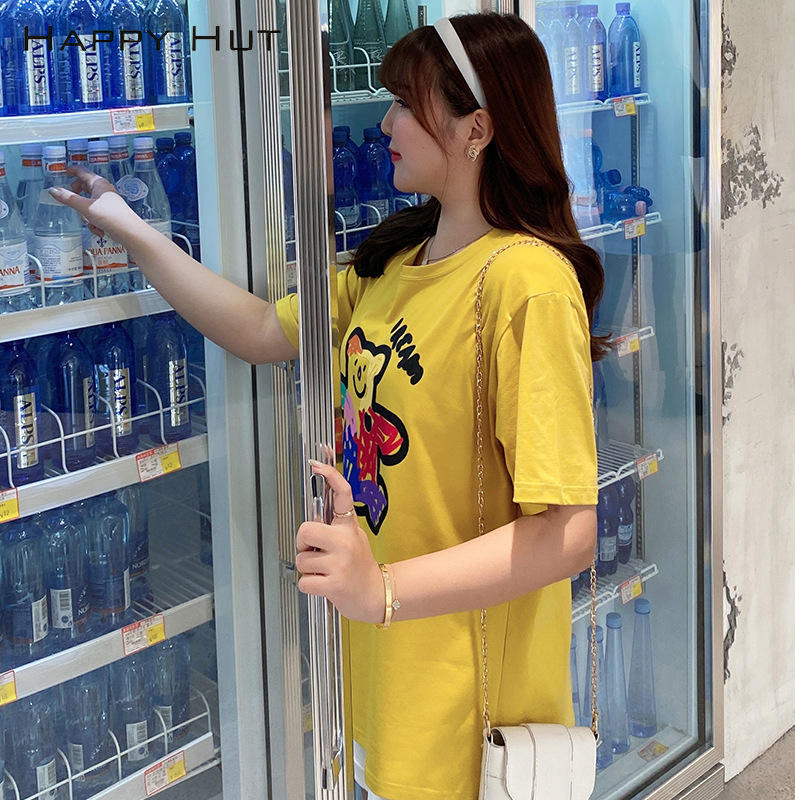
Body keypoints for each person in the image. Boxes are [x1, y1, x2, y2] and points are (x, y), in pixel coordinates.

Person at [48, 11, 604, 800]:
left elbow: (570, 533)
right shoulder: (394, 265)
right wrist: (129, 228)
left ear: (476, 130)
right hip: (380, 682)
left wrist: (383, 589)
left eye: (406, 104)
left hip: (469, 718)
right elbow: (256, 330)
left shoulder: (528, 284)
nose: (386, 123)